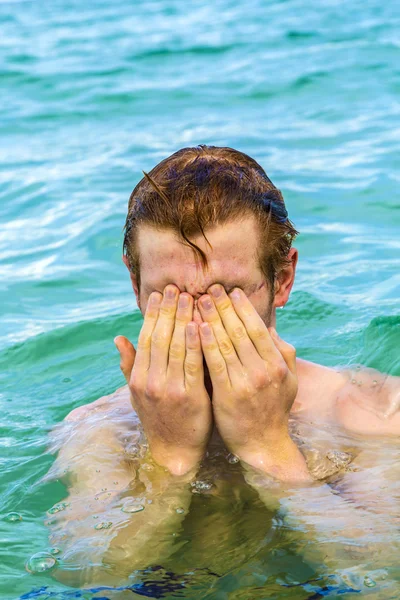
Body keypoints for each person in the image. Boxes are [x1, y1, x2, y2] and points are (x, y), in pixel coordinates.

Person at [47, 145, 400, 589]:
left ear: (283, 280)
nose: (198, 326)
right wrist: (169, 459)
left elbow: (384, 576)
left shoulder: (377, 412)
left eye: (226, 295)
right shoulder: (98, 429)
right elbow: (84, 576)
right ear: (136, 286)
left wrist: (269, 448)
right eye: (170, 296)